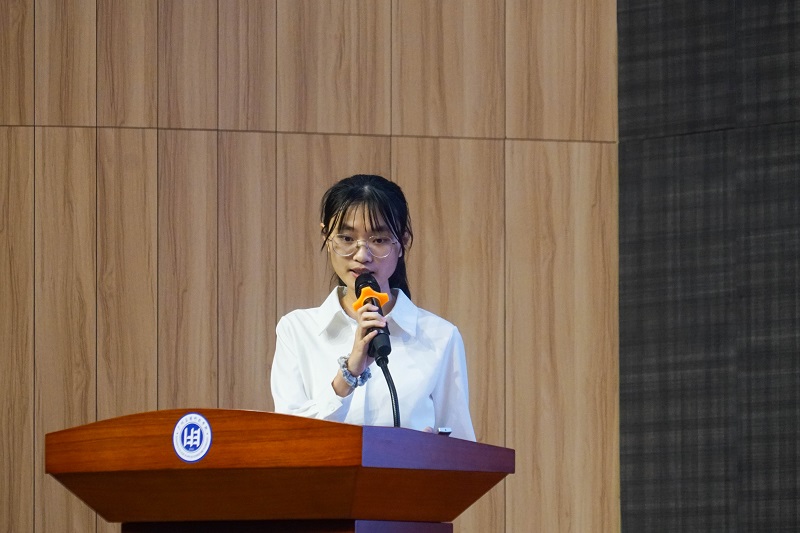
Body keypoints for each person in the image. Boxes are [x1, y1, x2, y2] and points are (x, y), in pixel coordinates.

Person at [270, 174, 476, 441]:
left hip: (406, 472)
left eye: (378, 240)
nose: (361, 255)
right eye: (346, 238)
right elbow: (287, 440)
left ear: (402, 243)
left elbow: (462, 448)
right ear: (327, 238)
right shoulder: (297, 330)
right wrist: (348, 374)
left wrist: (434, 453)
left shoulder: (440, 337)